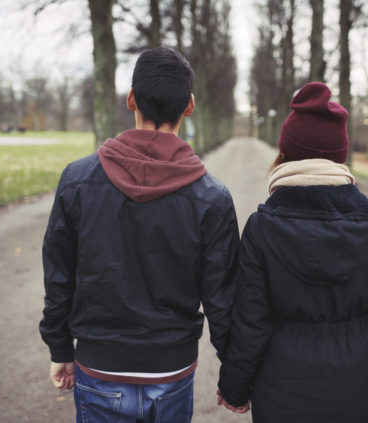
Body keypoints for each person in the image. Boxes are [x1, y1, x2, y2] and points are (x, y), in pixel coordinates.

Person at [39, 47, 240, 423]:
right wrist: (236, 374)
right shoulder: (211, 197)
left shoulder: (78, 180)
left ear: (131, 99)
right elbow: (223, 297)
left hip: (99, 364)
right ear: (190, 106)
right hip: (171, 367)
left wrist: (60, 348)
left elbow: (58, 274)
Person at [217, 82, 368, 422]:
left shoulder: (263, 227)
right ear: (339, 155)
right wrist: (360, 322)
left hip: (280, 380)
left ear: (285, 153)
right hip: (354, 379)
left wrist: (233, 387)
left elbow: (250, 323)